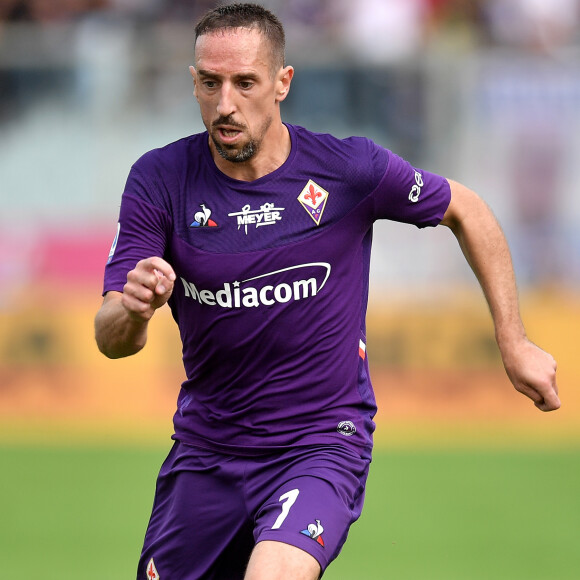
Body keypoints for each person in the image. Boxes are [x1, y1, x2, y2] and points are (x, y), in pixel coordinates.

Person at [94, 3, 560, 579]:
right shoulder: (160, 179)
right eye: (209, 84)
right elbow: (111, 337)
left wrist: (513, 342)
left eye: (245, 83)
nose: (225, 105)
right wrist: (135, 310)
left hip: (320, 443)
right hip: (208, 452)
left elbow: (467, 208)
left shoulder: (348, 171)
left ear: (283, 82)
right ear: (193, 82)